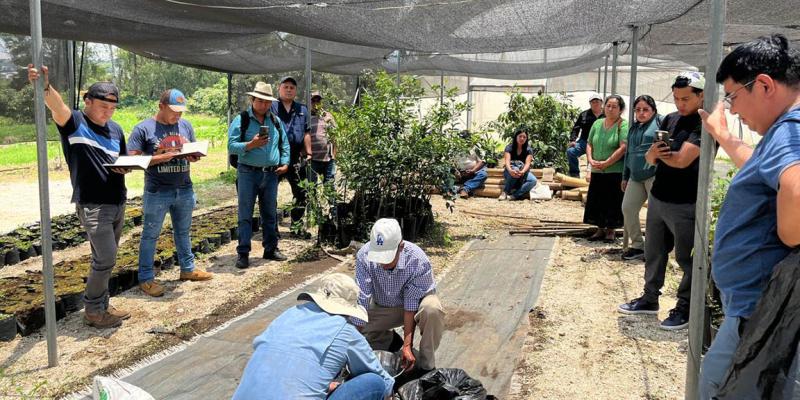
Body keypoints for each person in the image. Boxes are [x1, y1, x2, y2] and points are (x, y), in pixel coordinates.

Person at [695, 34, 800, 399]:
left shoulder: (791, 129)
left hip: (760, 306)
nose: (734, 109)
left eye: (733, 96)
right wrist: (724, 137)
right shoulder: (783, 131)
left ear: (765, 85)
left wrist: (791, 237)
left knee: (718, 386)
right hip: (756, 303)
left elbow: (797, 190)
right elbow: (762, 168)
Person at [27, 65, 130, 329]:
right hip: (94, 205)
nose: (108, 112)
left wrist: (126, 165)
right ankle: (94, 311)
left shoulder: (116, 130)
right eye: (103, 107)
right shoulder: (75, 123)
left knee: (108, 256)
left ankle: (102, 304)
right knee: (105, 258)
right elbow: (57, 107)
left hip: (117, 200)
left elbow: (122, 159)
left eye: (112, 108)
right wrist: (45, 87)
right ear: (87, 101)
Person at [618, 72, 705, 331]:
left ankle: (685, 307)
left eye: (686, 98)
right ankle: (649, 298)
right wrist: (656, 154)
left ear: (701, 95)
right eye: (677, 98)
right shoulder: (670, 118)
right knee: (654, 252)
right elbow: (650, 158)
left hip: (686, 202)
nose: (680, 104)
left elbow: (682, 160)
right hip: (659, 197)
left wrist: (658, 154)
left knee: (685, 258)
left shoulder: (703, 123)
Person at [232, 273, 394, 400]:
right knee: (374, 383)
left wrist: (322, 386)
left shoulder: (288, 315)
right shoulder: (345, 332)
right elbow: (383, 380)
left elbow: (284, 364)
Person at [127, 89, 213, 297]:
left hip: (184, 187)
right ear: (161, 106)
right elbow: (131, 160)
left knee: (183, 231)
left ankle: (188, 269)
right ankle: (146, 278)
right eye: (174, 111)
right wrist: (160, 158)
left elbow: (190, 150)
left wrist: (193, 156)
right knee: (150, 235)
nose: (178, 116)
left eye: (181, 112)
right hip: (157, 191)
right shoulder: (143, 129)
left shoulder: (185, 126)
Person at [352, 218, 445, 378]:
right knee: (347, 318)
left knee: (433, 309)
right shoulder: (364, 256)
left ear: (400, 247)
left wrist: (407, 345)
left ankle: (426, 366)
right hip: (383, 307)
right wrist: (350, 341)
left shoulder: (417, 259)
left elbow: (410, 305)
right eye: (379, 257)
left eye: (387, 257)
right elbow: (362, 299)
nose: (382, 263)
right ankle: (386, 340)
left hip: (415, 308)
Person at [228, 82, 291, 269]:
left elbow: (284, 144)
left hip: (271, 174)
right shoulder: (242, 119)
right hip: (248, 172)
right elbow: (231, 146)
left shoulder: (275, 121)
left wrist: (285, 162)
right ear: (252, 100)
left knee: (270, 213)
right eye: (260, 101)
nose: (264, 105)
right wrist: (250, 145)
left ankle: (270, 249)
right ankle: (243, 253)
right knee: (245, 214)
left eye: (267, 102)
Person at [620, 95, 661, 260]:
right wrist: (625, 176)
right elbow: (628, 154)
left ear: (653, 110)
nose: (641, 113)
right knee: (628, 208)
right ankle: (638, 245)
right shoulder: (634, 128)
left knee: (655, 214)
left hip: (654, 176)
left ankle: (654, 249)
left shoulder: (661, 123)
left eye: (645, 110)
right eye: (638, 110)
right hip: (635, 177)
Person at [271, 76, 313, 238]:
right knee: (270, 194)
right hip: (276, 157)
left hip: (296, 158)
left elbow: (307, 132)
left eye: (292, 87)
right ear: (279, 89)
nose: (289, 90)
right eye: (285, 87)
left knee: (301, 192)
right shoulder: (272, 107)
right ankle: (272, 228)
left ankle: (296, 226)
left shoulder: (302, 109)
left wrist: (309, 152)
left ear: (295, 91)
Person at [584, 95, 629, 242]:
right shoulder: (597, 123)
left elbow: (623, 147)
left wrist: (607, 162)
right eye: (608, 105)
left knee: (613, 200)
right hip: (597, 169)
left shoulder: (623, 125)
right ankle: (600, 229)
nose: (610, 109)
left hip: (614, 170)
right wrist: (590, 160)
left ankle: (611, 231)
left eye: (614, 106)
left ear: (620, 109)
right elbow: (589, 143)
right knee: (597, 199)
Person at [567, 93, 604, 177]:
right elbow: (576, 128)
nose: (595, 104)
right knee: (571, 152)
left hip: (600, 142)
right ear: (590, 103)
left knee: (594, 159)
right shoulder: (584, 114)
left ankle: (594, 176)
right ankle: (574, 174)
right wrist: (572, 140)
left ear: (601, 103)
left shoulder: (606, 114)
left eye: (597, 102)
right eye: (593, 102)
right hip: (584, 141)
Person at [499, 128, 537, 201]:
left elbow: (527, 163)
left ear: (526, 139)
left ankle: (515, 195)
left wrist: (523, 171)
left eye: (524, 137)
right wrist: (510, 170)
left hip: (523, 171)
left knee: (533, 180)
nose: (522, 138)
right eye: (520, 136)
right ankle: (505, 192)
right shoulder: (509, 147)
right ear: (516, 137)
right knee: (515, 170)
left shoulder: (529, 149)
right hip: (510, 171)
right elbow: (507, 161)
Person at [308, 91, 337, 185]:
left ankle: (331, 200)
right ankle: (313, 200)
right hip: (312, 160)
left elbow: (335, 135)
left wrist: (334, 155)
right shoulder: (306, 117)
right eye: (313, 101)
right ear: (309, 102)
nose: (316, 103)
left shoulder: (327, 116)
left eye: (318, 101)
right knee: (312, 187)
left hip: (328, 159)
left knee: (329, 186)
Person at [455, 131, 488, 199]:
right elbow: (452, 161)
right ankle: (455, 189)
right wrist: (456, 171)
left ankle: (465, 189)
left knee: (483, 175)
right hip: (460, 173)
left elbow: (481, 161)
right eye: (461, 139)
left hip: (474, 173)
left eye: (464, 139)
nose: (462, 141)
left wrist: (473, 170)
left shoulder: (475, 148)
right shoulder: (455, 149)